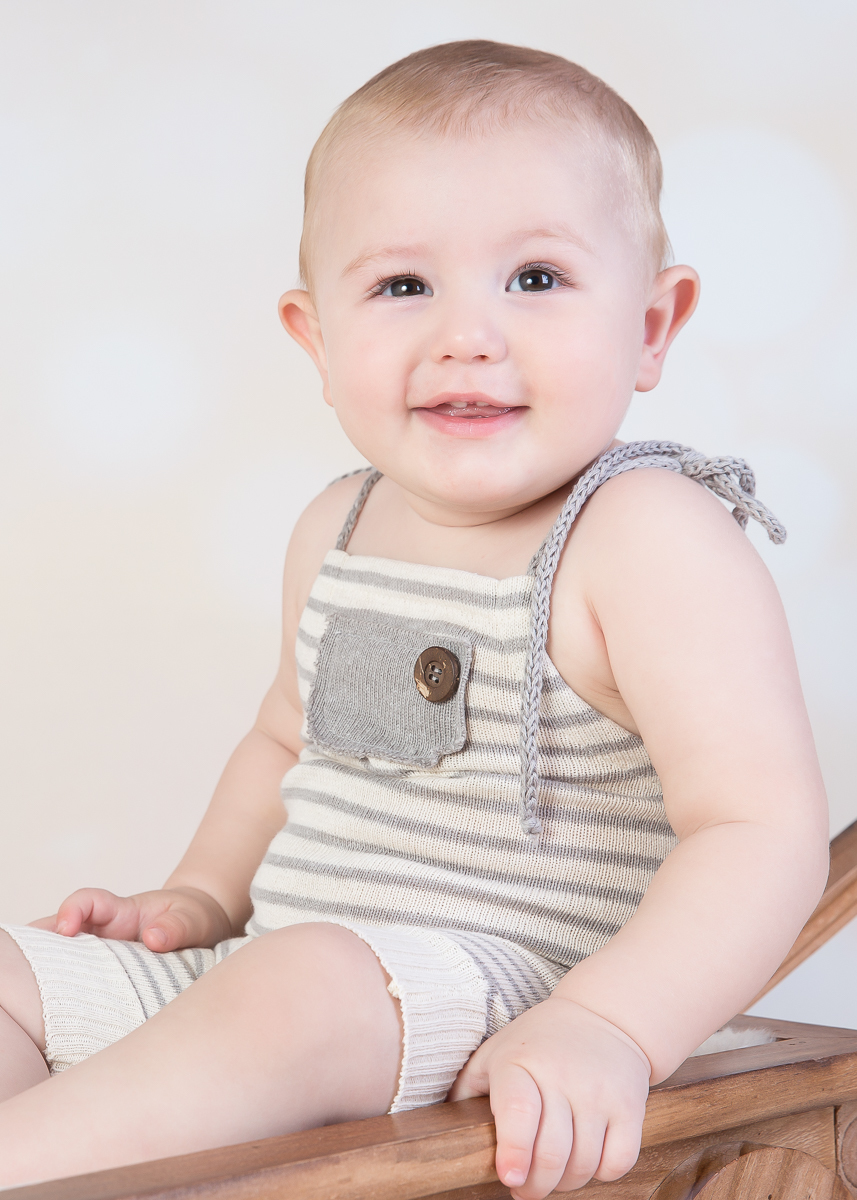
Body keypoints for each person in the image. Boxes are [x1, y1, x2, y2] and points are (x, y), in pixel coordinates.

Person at [0, 40, 828, 1200]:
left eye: (534, 277)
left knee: (303, 987)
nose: (466, 335)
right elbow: (283, 743)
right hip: (285, 982)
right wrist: (198, 895)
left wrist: (608, 1024)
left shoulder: (644, 535)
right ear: (315, 339)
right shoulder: (337, 525)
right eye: (402, 287)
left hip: (511, 1003)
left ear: (650, 324)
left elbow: (757, 830)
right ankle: (62, 1147)